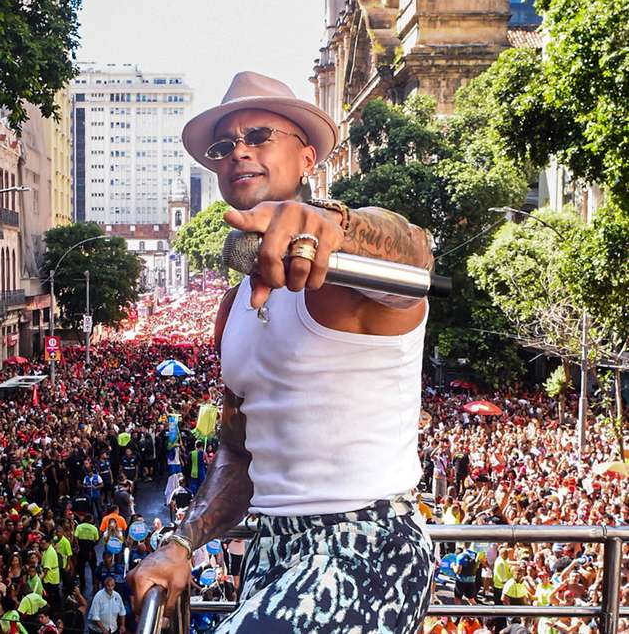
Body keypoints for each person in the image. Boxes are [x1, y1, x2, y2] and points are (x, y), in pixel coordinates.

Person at [128, 71, 435, 632]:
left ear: (307, 157)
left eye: (259, 135)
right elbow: (239, 454)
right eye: (225, 145)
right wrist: (183, 540)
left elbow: (415, 251)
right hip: (269, 556)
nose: (239, 151)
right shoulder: (231, 307)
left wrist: (328, 223)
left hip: (366, 547)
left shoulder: (355, 269)